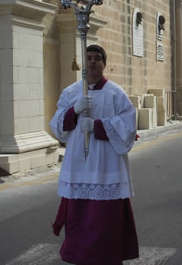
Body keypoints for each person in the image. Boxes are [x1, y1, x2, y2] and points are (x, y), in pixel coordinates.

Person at [50, 45, 139, 265]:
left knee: (105, 220)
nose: (92, 62)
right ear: (83, 62)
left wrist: (98, 126)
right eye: (88, 58)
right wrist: (75, 111)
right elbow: (57, 126)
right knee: (79, 219)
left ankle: (106, 257)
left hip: (106, 165)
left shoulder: (116, 93)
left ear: (104, 63)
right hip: (78, 163)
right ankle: (80, 257)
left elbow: (128, 128)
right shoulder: (71, 93)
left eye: (98, 58)